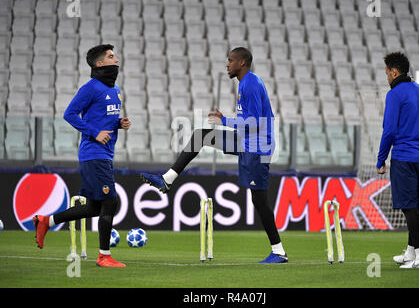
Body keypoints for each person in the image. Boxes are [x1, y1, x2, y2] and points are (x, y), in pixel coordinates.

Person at [141, 47, 288, 263]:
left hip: (258, 147)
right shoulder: (245, 83)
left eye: (231, 61)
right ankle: (167, 179)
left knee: (259, 200)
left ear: (242, 63)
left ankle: (278, 251)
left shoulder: (250, 84)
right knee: (202, 135)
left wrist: (225, 121)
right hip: (247, 143)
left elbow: (256, 123)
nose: (227, 64)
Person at [33, 44, 131, 268]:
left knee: (94, 208)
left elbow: (102, 119)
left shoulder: (115, 90)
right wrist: (95, 133)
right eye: (111, 56)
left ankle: (46, 220)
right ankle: (104, 256)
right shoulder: (90, 88)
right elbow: (69, 114)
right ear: (99, 64)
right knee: (111, 201)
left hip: (105, 154)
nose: (116, 60)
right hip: (93, 154)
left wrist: (119, 123)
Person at [377, 52, 419, 269]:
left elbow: (389, 130)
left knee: (409, 207)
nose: (387, 77)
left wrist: (381, 158)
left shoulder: (395, 94)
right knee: (417, 206)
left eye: (387, 73)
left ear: (394, 72)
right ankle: (411, 252)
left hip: (404, 157)